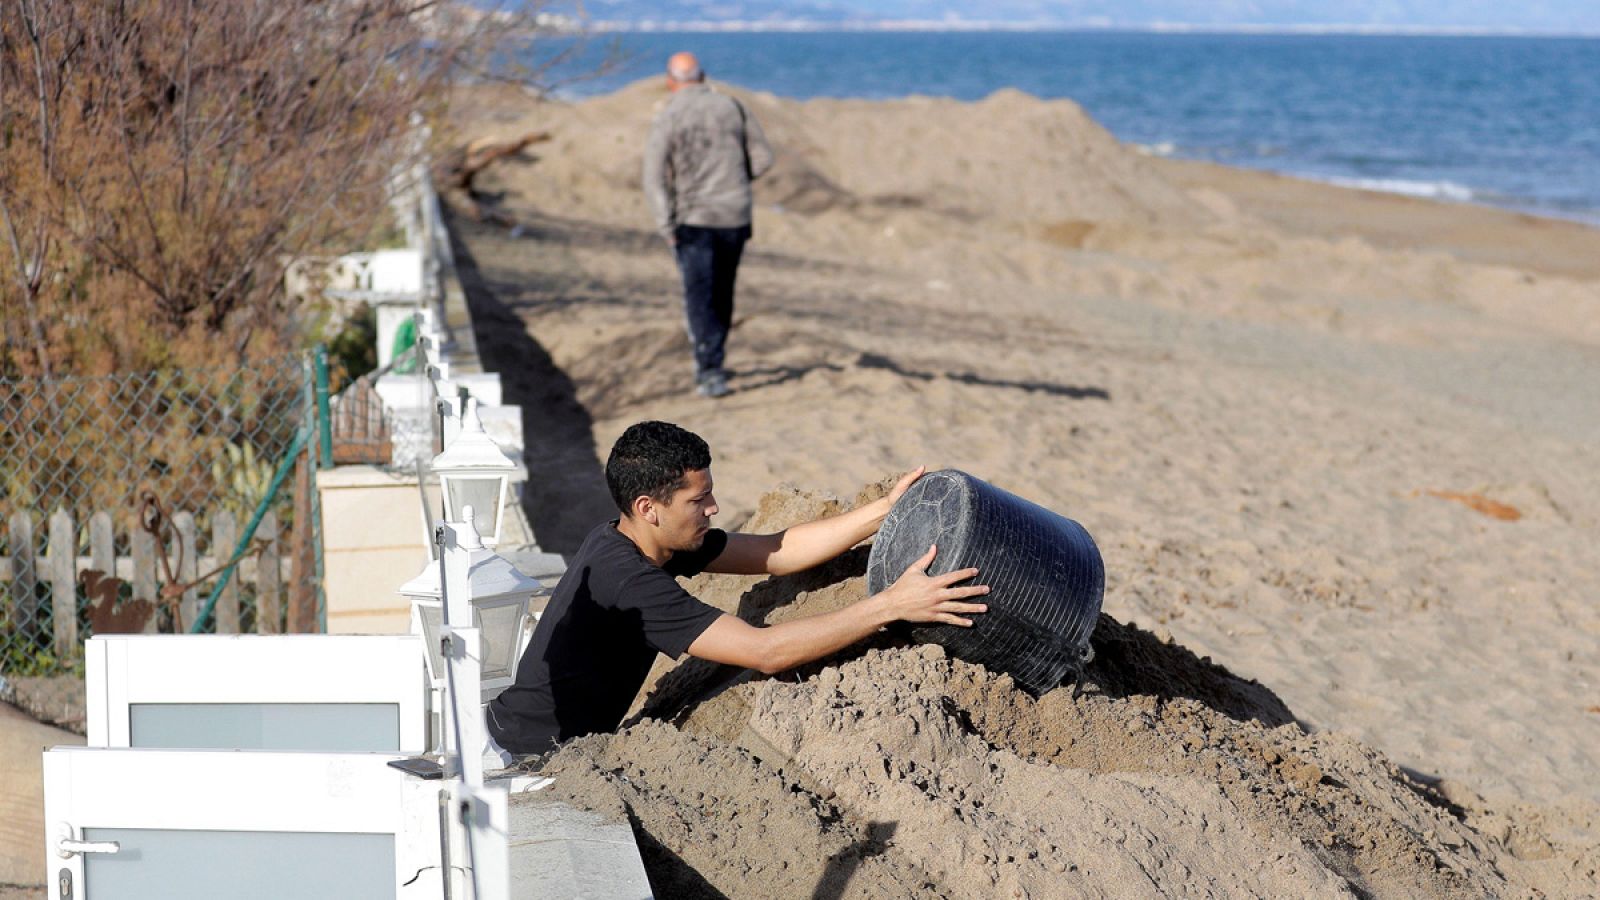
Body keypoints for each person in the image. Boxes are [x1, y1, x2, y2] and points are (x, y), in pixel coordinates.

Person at [485, 420, 990, 759]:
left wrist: (882, 512)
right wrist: (891, 605)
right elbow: (764, 652)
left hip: (534, 741)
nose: (714, 508)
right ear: (648, 507)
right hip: (524, 759)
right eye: (699, 499)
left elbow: (776, 551)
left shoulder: (643, 539)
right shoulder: (629, 578)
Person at [642, 52, 775, 399]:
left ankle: (709, 368)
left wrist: (664, 222)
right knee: (722, 290)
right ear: (702, 77)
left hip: (694, 217)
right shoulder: (732, 106)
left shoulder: (669, 115)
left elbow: (653, 176)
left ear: (671, 81)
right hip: (734, 213)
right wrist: (736, 180)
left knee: (698, 293)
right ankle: (714, 357)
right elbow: (764, 157)